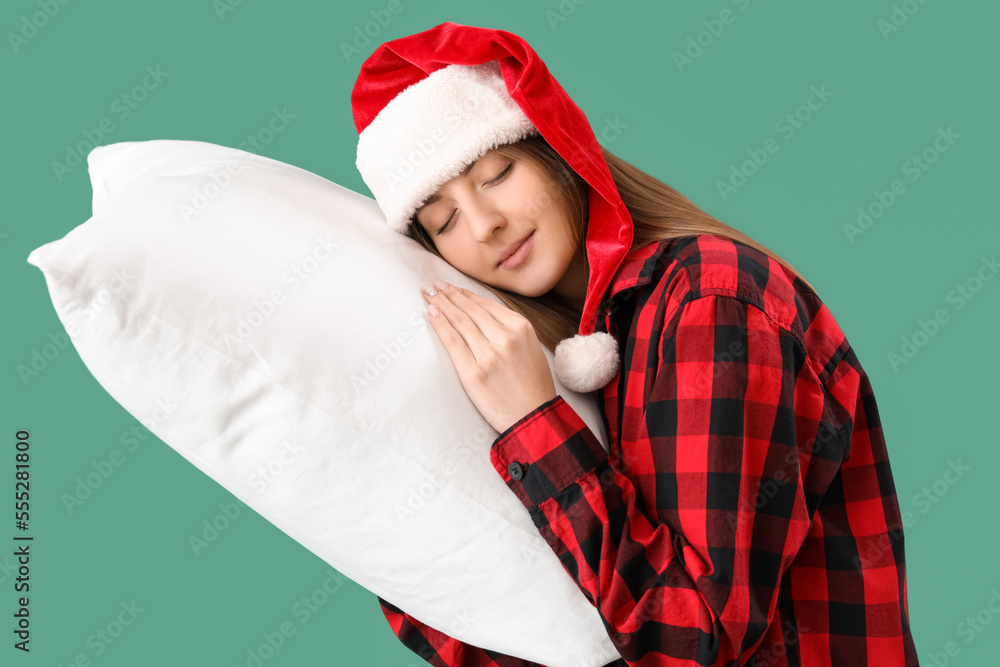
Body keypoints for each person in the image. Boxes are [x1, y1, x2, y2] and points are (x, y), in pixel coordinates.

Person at [351, 21, 918, 667]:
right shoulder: (571, 356)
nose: (485, 224)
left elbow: (689, 640)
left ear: (557, 148)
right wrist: (390, 543)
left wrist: (534, 424)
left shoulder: (712, 303)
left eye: (497, 172)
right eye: (443, 220)